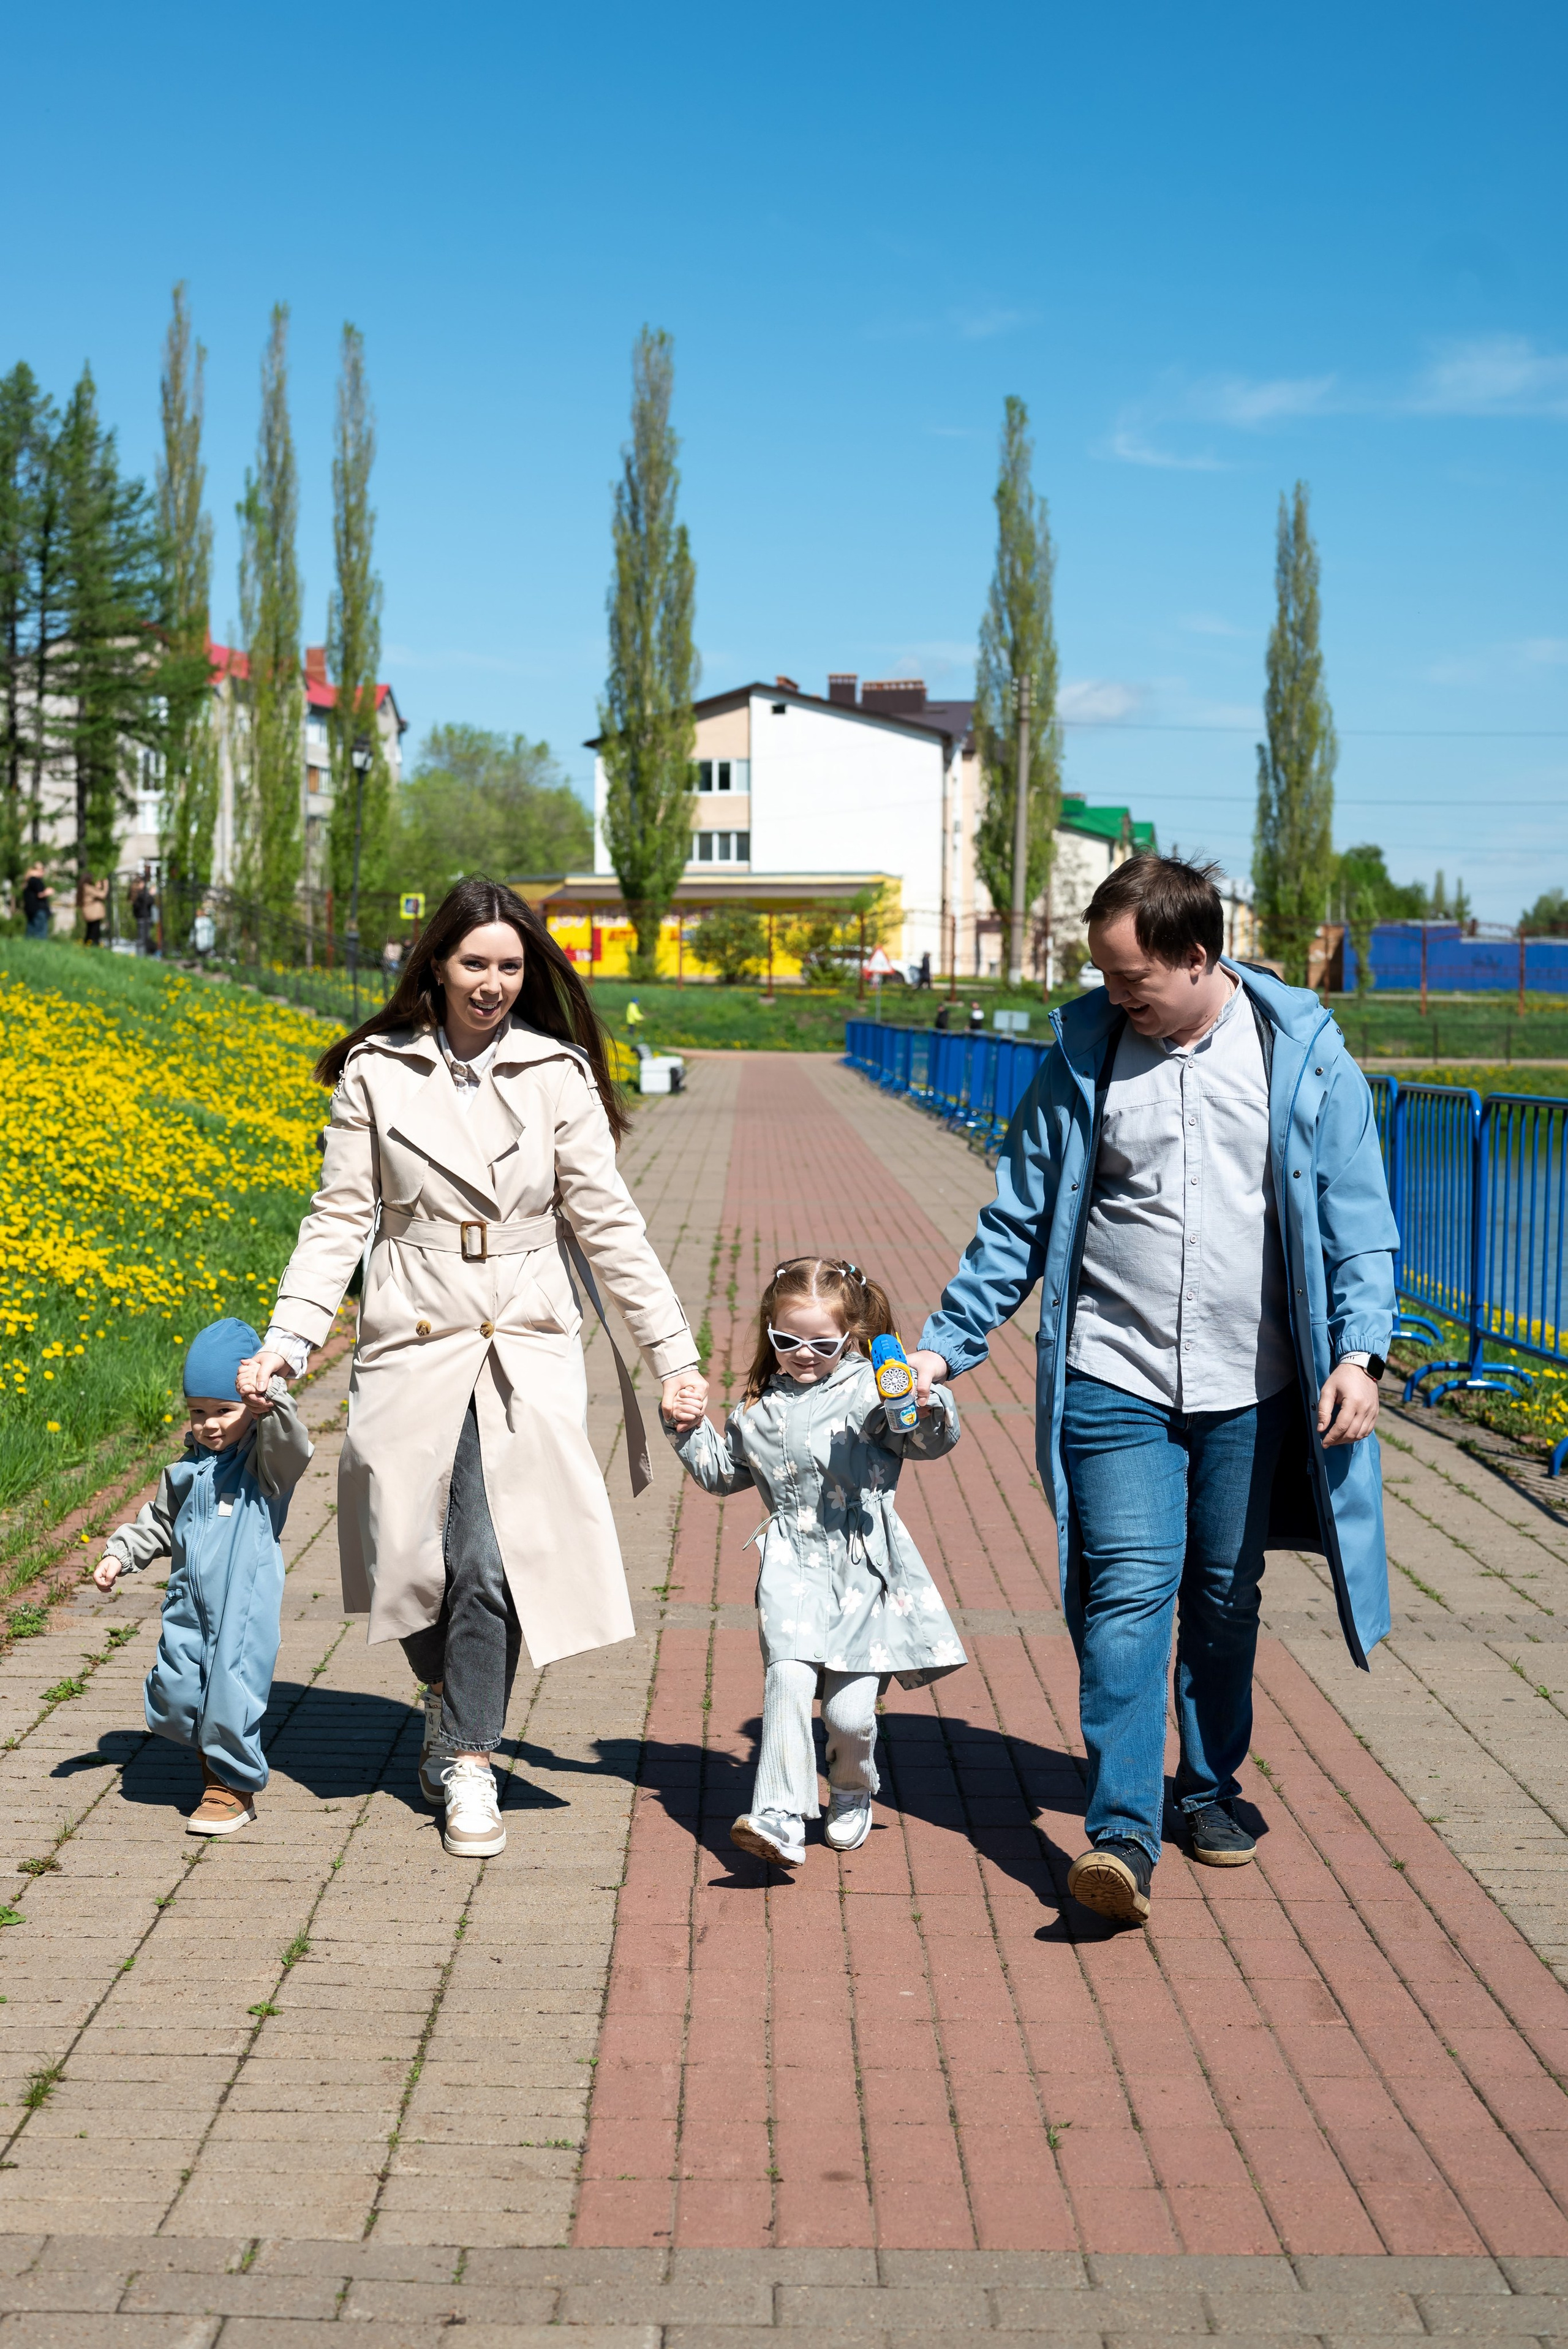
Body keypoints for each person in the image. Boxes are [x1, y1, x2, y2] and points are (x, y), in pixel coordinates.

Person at [910, 855, 1396, 1927]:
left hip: (1254, 1386)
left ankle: (1209, 1786)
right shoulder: (1085, 1055)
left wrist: (1361, 1354)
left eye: (1133, 978)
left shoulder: (1302, 1060)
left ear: (1197, 956)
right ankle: (1121, 1832)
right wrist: (947, 1344)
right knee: (1125, 1592)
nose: (1115, 995)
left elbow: (1358, 1222)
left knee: (1223, 1600)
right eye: (1104, 974)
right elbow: (1018, 1218)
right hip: (1112, 1372)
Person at [237, 877, 706, 1861]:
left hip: (523, 1335)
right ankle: (452, 1688)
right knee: (406, 1555)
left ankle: (469, 1760)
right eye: (473, 963)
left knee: (493, 1558)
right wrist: (288, 1338)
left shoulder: (556, 1075)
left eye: (509, 965)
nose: (492, 984)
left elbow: (609, 1225)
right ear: (436, 967)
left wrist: (673, 1356)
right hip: (411, 1329)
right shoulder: (377, 1071)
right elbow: (337, 1221)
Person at [665, 1255, 965, 1869]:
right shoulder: (758, 1407)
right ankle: (777, 1816)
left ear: (849, 1337)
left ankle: (852, 1785)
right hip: (791, 1567)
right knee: (787, 1679)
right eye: (787, 1340)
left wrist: (923, 1401)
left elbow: (921, 1438)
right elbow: (726, 1475)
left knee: (849, 1718)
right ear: (769, 1335)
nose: (803, 1353)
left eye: (821, 1343)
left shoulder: (869, 1387)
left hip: (864, 1568)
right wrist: (687, 1428)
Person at [94, 1318, 312, 1835]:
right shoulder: (186, 1472)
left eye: (224, 1411)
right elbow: (160, 1521)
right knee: (174, 1694)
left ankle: (230, 1786)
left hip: (242, 1605)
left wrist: (270, 1399)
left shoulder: (264, 1468)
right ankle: (209, 1761)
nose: (210, 1424)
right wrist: (121, 1554)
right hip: (187, 1603)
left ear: (250, 1411)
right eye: (198, 1413)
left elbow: (293, 1445)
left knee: (230, 1693)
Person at [22, 863, 52, 940]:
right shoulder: (36, 880)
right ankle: (40, 950)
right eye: (42, 870)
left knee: (30, 933)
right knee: (41, 934)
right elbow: (40, 894)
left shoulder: (27, 882)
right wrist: (48, 892)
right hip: (39, 910)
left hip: (30, 911)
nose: (43, 873)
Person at [80, 874, 108, 947]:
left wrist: (96, 888)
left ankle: (89, 945)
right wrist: (106, 886)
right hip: (93, 913)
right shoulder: (88, 888)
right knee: (94, 932)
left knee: (91, 931)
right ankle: (93, 945)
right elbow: (102, 895)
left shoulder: (86, 888)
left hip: (91, 913)